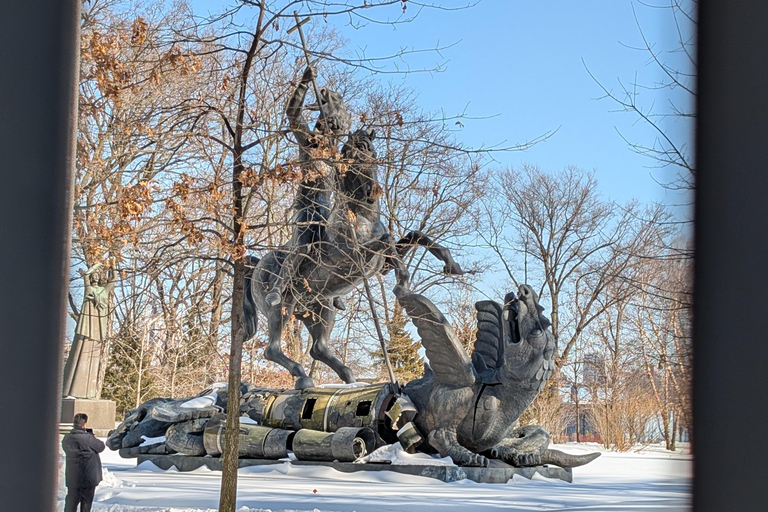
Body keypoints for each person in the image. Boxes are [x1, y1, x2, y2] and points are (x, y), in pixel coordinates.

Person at [62, 413, 105, 512]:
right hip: (88, 477)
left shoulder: (67, 439)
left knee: (71, 502)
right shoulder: (88, 439)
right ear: (84, 424)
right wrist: (90, 435)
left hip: (73, 476)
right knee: (86, 504)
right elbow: (100, 447)